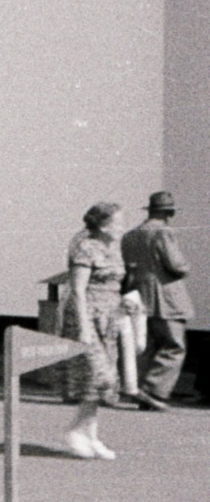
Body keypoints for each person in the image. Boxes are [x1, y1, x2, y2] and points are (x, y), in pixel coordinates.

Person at [119, 191, 194, 412]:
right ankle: (153, 390)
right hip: (166, 296)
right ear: (168, 212)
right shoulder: (164, 232)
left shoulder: (130, 235)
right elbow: (176, 265)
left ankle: (140, 388)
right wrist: (185, 268)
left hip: (139, 294)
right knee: (174, 345)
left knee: (147, 344)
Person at [62, 202, 126, 460]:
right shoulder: (85, 247)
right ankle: (75, 431)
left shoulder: (113, 247)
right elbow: (78, 289)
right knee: (98, 377)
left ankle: (91, 435)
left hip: (108, 319)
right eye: (118, 222)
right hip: (87, 317)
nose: (122, 227)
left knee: (103, 381)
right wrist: (83, 328)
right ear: (102, 224)